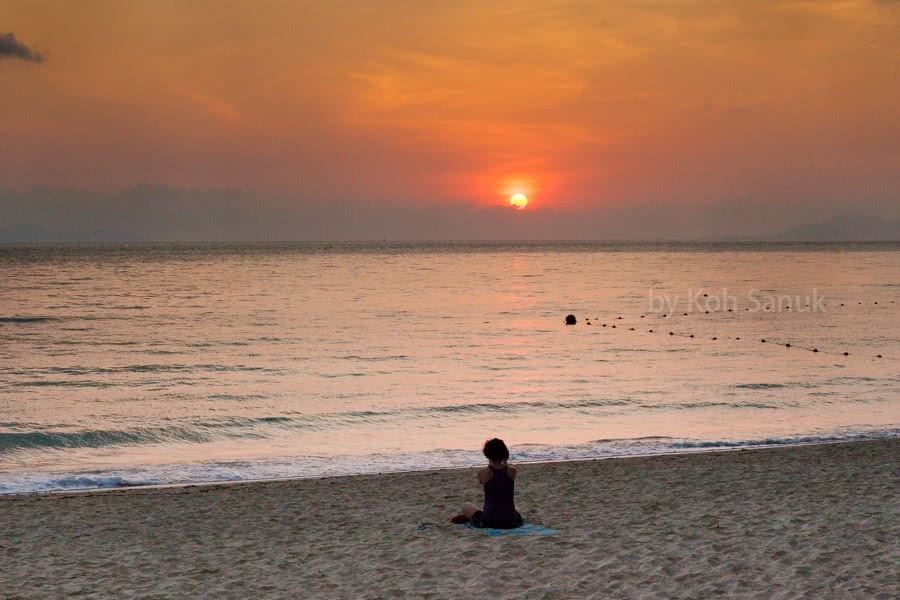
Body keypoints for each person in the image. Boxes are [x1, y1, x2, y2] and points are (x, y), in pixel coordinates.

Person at [459, 438, 523, 529]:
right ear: (505, 453)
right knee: (514, 508)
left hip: (489, 520)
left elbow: (483, 481)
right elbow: (504, 471)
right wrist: (505, 460)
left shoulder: (483, 473)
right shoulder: (512, 471)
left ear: (486, 453)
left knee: (466, 506)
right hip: (510, 520)